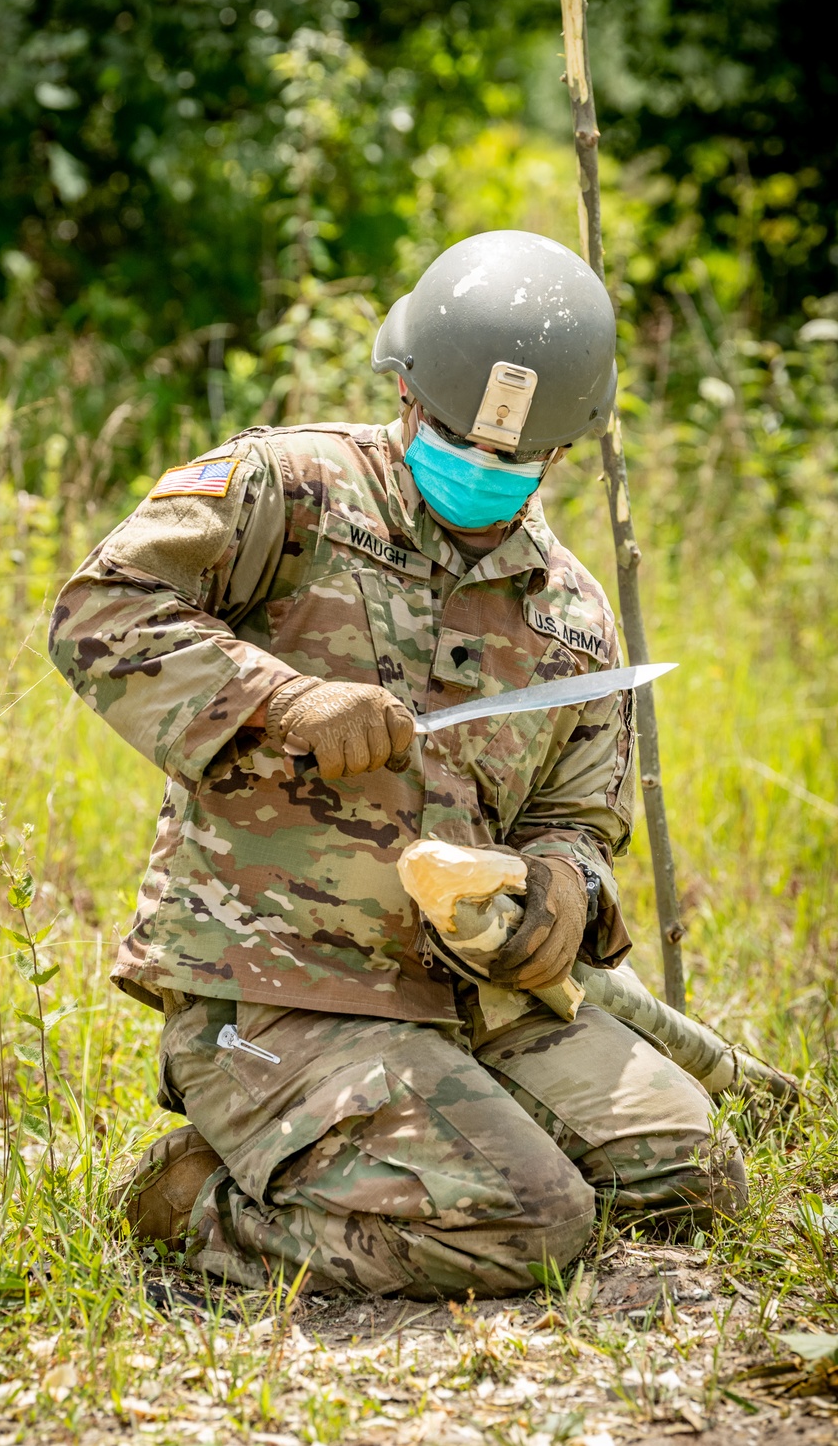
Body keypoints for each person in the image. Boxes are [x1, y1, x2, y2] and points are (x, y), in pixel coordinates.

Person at [49, 230, 745, 1297]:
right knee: (531, 1228)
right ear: (407, 391)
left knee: (688, 1177)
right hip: (283, 990)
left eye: (510, 458)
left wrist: (560, 892)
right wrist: (284, 698)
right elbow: (98, 612)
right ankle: (199, 1201)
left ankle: (423, 1142)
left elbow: (577, 822)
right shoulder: (285, 489)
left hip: (475, 1002)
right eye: (454, 435)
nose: (477, 466)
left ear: (563, 449)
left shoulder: (571, 617)